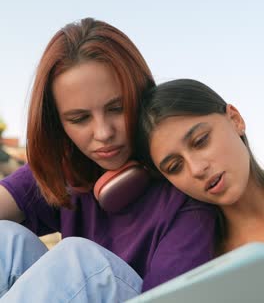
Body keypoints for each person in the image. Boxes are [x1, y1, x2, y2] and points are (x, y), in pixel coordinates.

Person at [0, 20, 216, 302]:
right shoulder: (69, 168)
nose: (103, 134)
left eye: (117, 108)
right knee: (6, 240)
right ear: (58, 124)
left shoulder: (186, 192)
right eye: (79, 119)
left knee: (79, 264)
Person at [136, 78, 264, 258]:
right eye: (175, 167)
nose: (196, 169)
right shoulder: (200, 263)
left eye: (200, 141)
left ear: (235, 120)